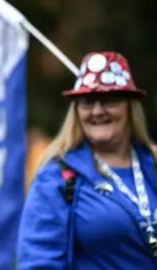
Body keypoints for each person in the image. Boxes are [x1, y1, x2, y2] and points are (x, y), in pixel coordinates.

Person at [17, 51, 157, 269]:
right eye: (87, 102)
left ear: (130, 107)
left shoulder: (152, 165)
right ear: (76, 111)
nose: (97, 111)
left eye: (110, 100)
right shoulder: (56, 178)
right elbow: (38, 263)